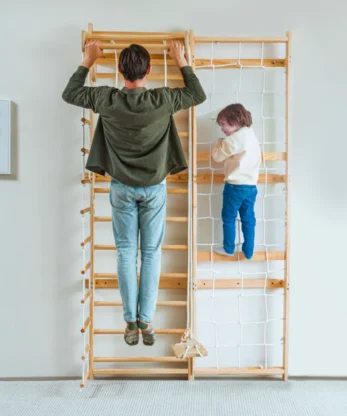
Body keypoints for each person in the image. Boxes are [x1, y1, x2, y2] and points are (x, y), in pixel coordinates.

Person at [62, 40, 206, 346]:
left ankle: (130, 321)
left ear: (118, 70)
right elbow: (197, 94)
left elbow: (70, 93)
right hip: (154, 188)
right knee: (151, 254)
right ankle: (147, 320)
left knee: (126, 253)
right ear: (149, 70)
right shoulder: (162, 99)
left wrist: (87, 59)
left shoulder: (107, 98)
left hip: (121, 188)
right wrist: (181, 60)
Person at [212, 103, 261, 260]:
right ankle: (249, 250)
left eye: (223, 124)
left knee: (229, 217)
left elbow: (217, 156)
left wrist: (218, 143)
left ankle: (229, 248)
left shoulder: (232, 140)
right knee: (248, 218)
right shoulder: (251, 135)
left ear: (235, 121)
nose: (222, 129)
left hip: (234, 187)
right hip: (251, 186)